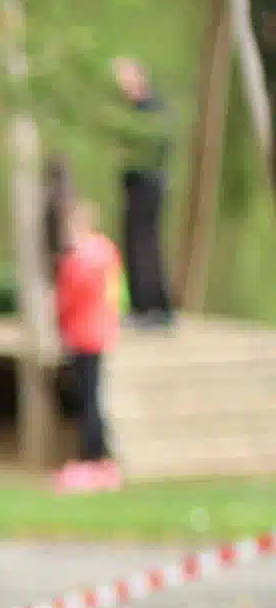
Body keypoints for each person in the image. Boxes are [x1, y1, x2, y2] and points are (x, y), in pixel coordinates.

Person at [52, 195, 123, 493]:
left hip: (82, 335)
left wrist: (62, 327)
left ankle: (93, 461)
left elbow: (66, 301)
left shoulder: (76, 260)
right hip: (102, 333)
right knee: (94, 396)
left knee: (87, 400)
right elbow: (116, 293)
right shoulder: (108, 253)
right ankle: (101, 460)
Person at [111, 56, 174, 324]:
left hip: (148, 184)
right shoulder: (133, 110)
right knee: (132, 244)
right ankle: (139, 307)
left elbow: (158, 148)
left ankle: (155, 308)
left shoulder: (153, 108)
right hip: (134, 185)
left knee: (145, 245)